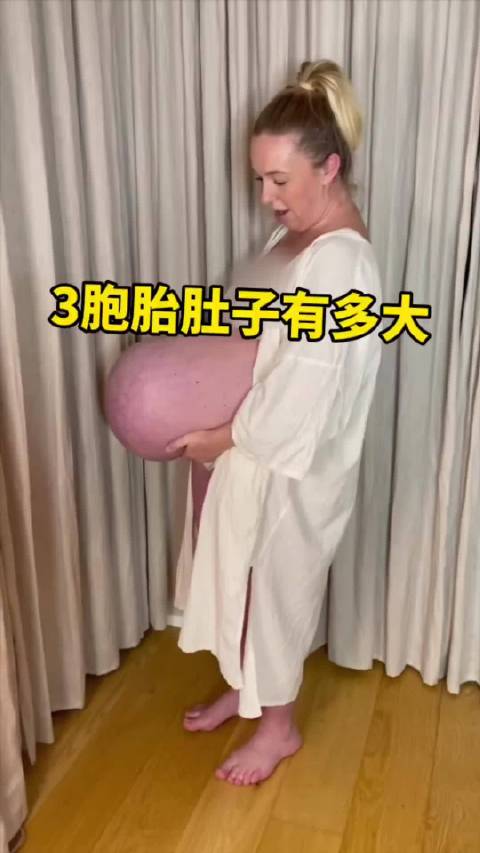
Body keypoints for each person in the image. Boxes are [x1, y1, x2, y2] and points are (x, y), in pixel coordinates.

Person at [167, 60, 383, 787]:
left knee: (279, 587)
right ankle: (246, 688)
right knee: (241, 575)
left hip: (295, 463)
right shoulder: (293, 239)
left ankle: (279, 727)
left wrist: (221, 436)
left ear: (329, 167)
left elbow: (304, 390)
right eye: (260, 179)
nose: (265, 197)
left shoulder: (340, 264)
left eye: (279, 180)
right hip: (249, 446)